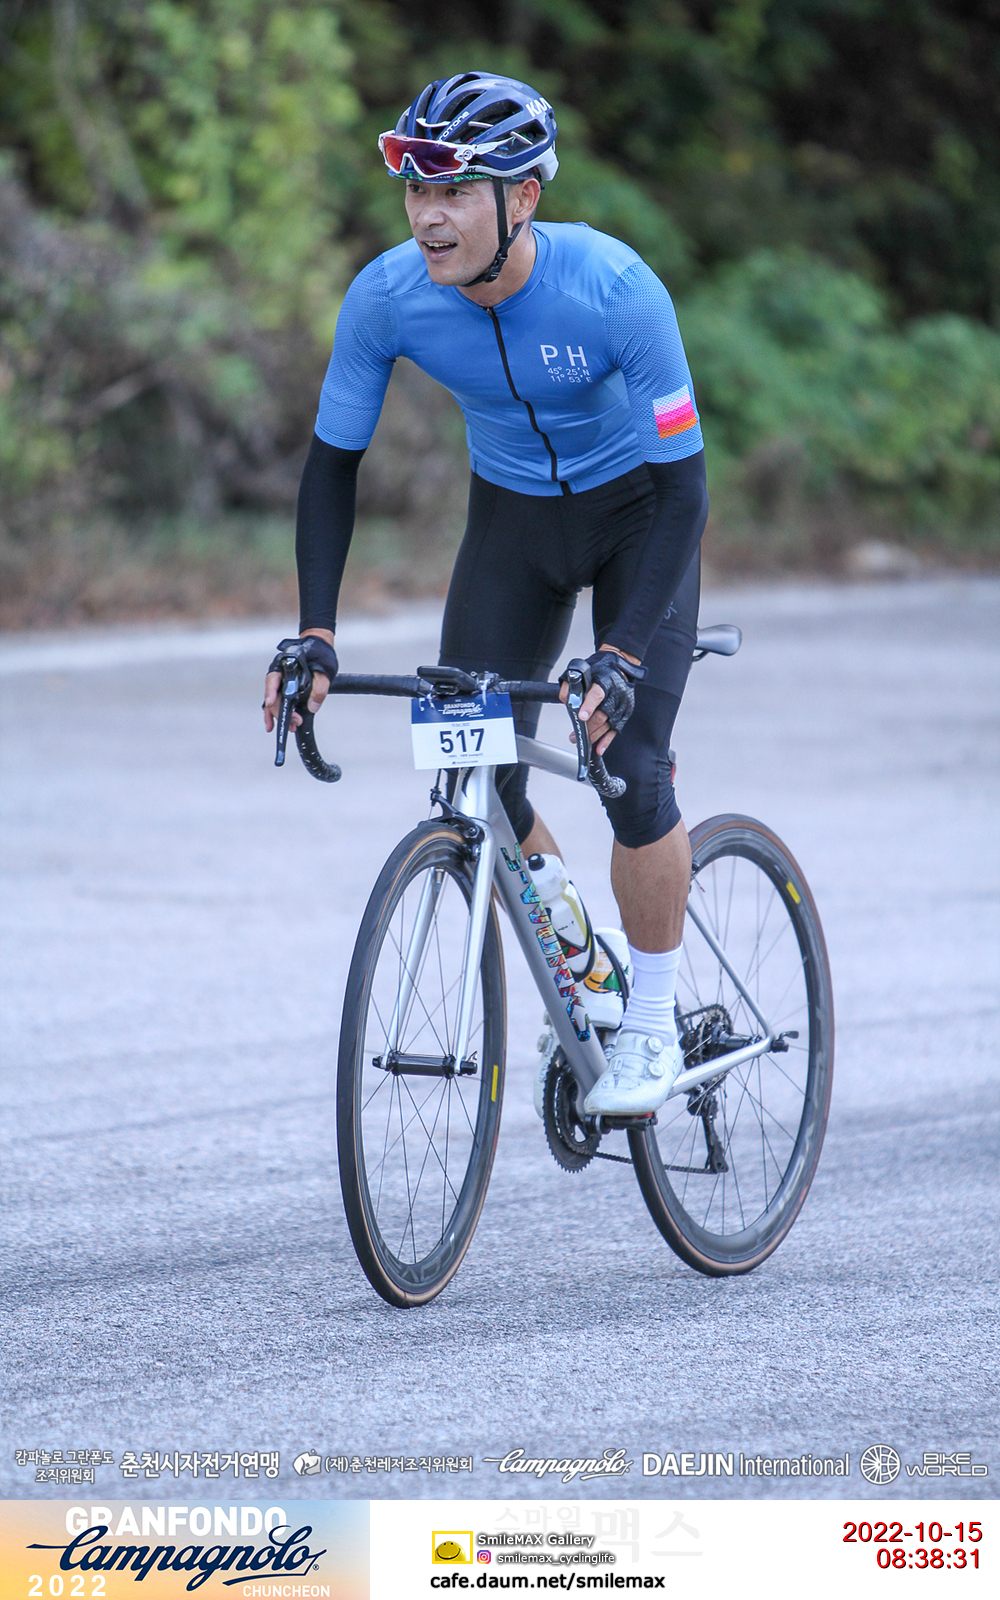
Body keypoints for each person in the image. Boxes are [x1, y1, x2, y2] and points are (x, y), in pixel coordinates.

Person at [263, 72, 708, 1117]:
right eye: (417, 188)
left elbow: (687, 492)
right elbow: (332, 466)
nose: (428, 215)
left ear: (524, 199)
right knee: (474, 771)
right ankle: (588, 974)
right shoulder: (387, 297)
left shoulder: (616, 290)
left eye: (456, 191)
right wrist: (316, 631)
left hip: (639, 517)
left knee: (628, 765)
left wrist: (622, 654)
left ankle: (650, 1023)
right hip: (511, 524)